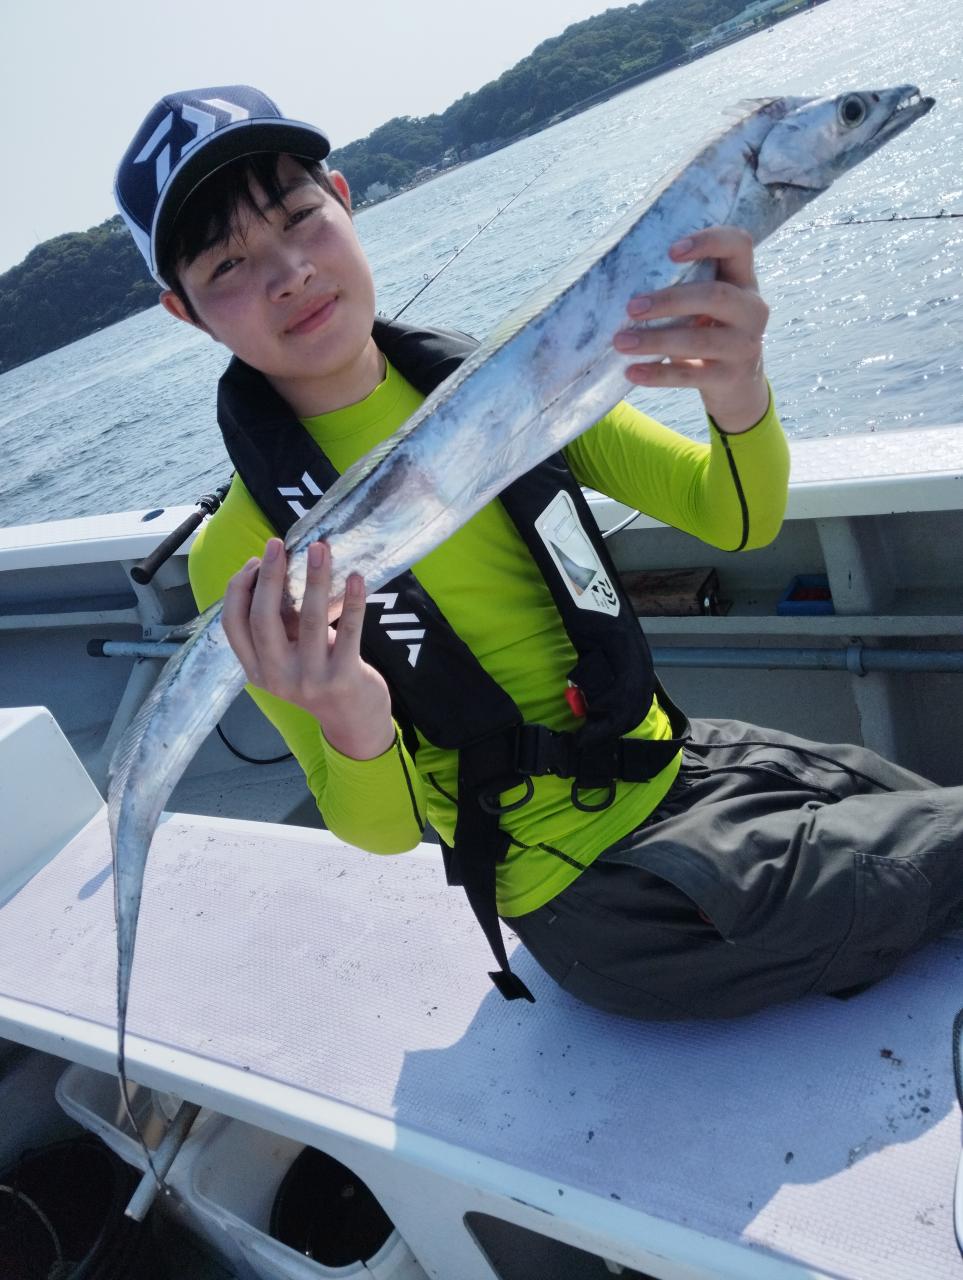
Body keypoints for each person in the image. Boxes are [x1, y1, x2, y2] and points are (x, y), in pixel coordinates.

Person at [114, 86, 963, 1021]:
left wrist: (737, 389)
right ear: (185, 312)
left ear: (344, 200)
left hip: (682, 761)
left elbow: (736, 518)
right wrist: (351, 715)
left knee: (921, 804)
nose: (288, 273)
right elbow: (384, 831)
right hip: (599, 898)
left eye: (298, 217)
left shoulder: (525, 377)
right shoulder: (244, 559)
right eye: (228, 264)